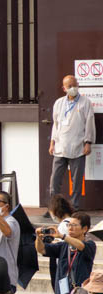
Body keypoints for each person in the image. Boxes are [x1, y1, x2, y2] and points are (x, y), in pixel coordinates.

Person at [49, 75, 95, 210]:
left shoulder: (85, 102)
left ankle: (74, 206)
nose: (73, 88)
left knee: (76, 180)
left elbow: (90, 123)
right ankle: (54, 207)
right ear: (64, 88)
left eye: (75, 85)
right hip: (60, 146)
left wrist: (88, 142)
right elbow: (55, 124)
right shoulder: (58, 103)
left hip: (77, 146)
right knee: (55, 180)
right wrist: (52, 143)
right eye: (69, 86)